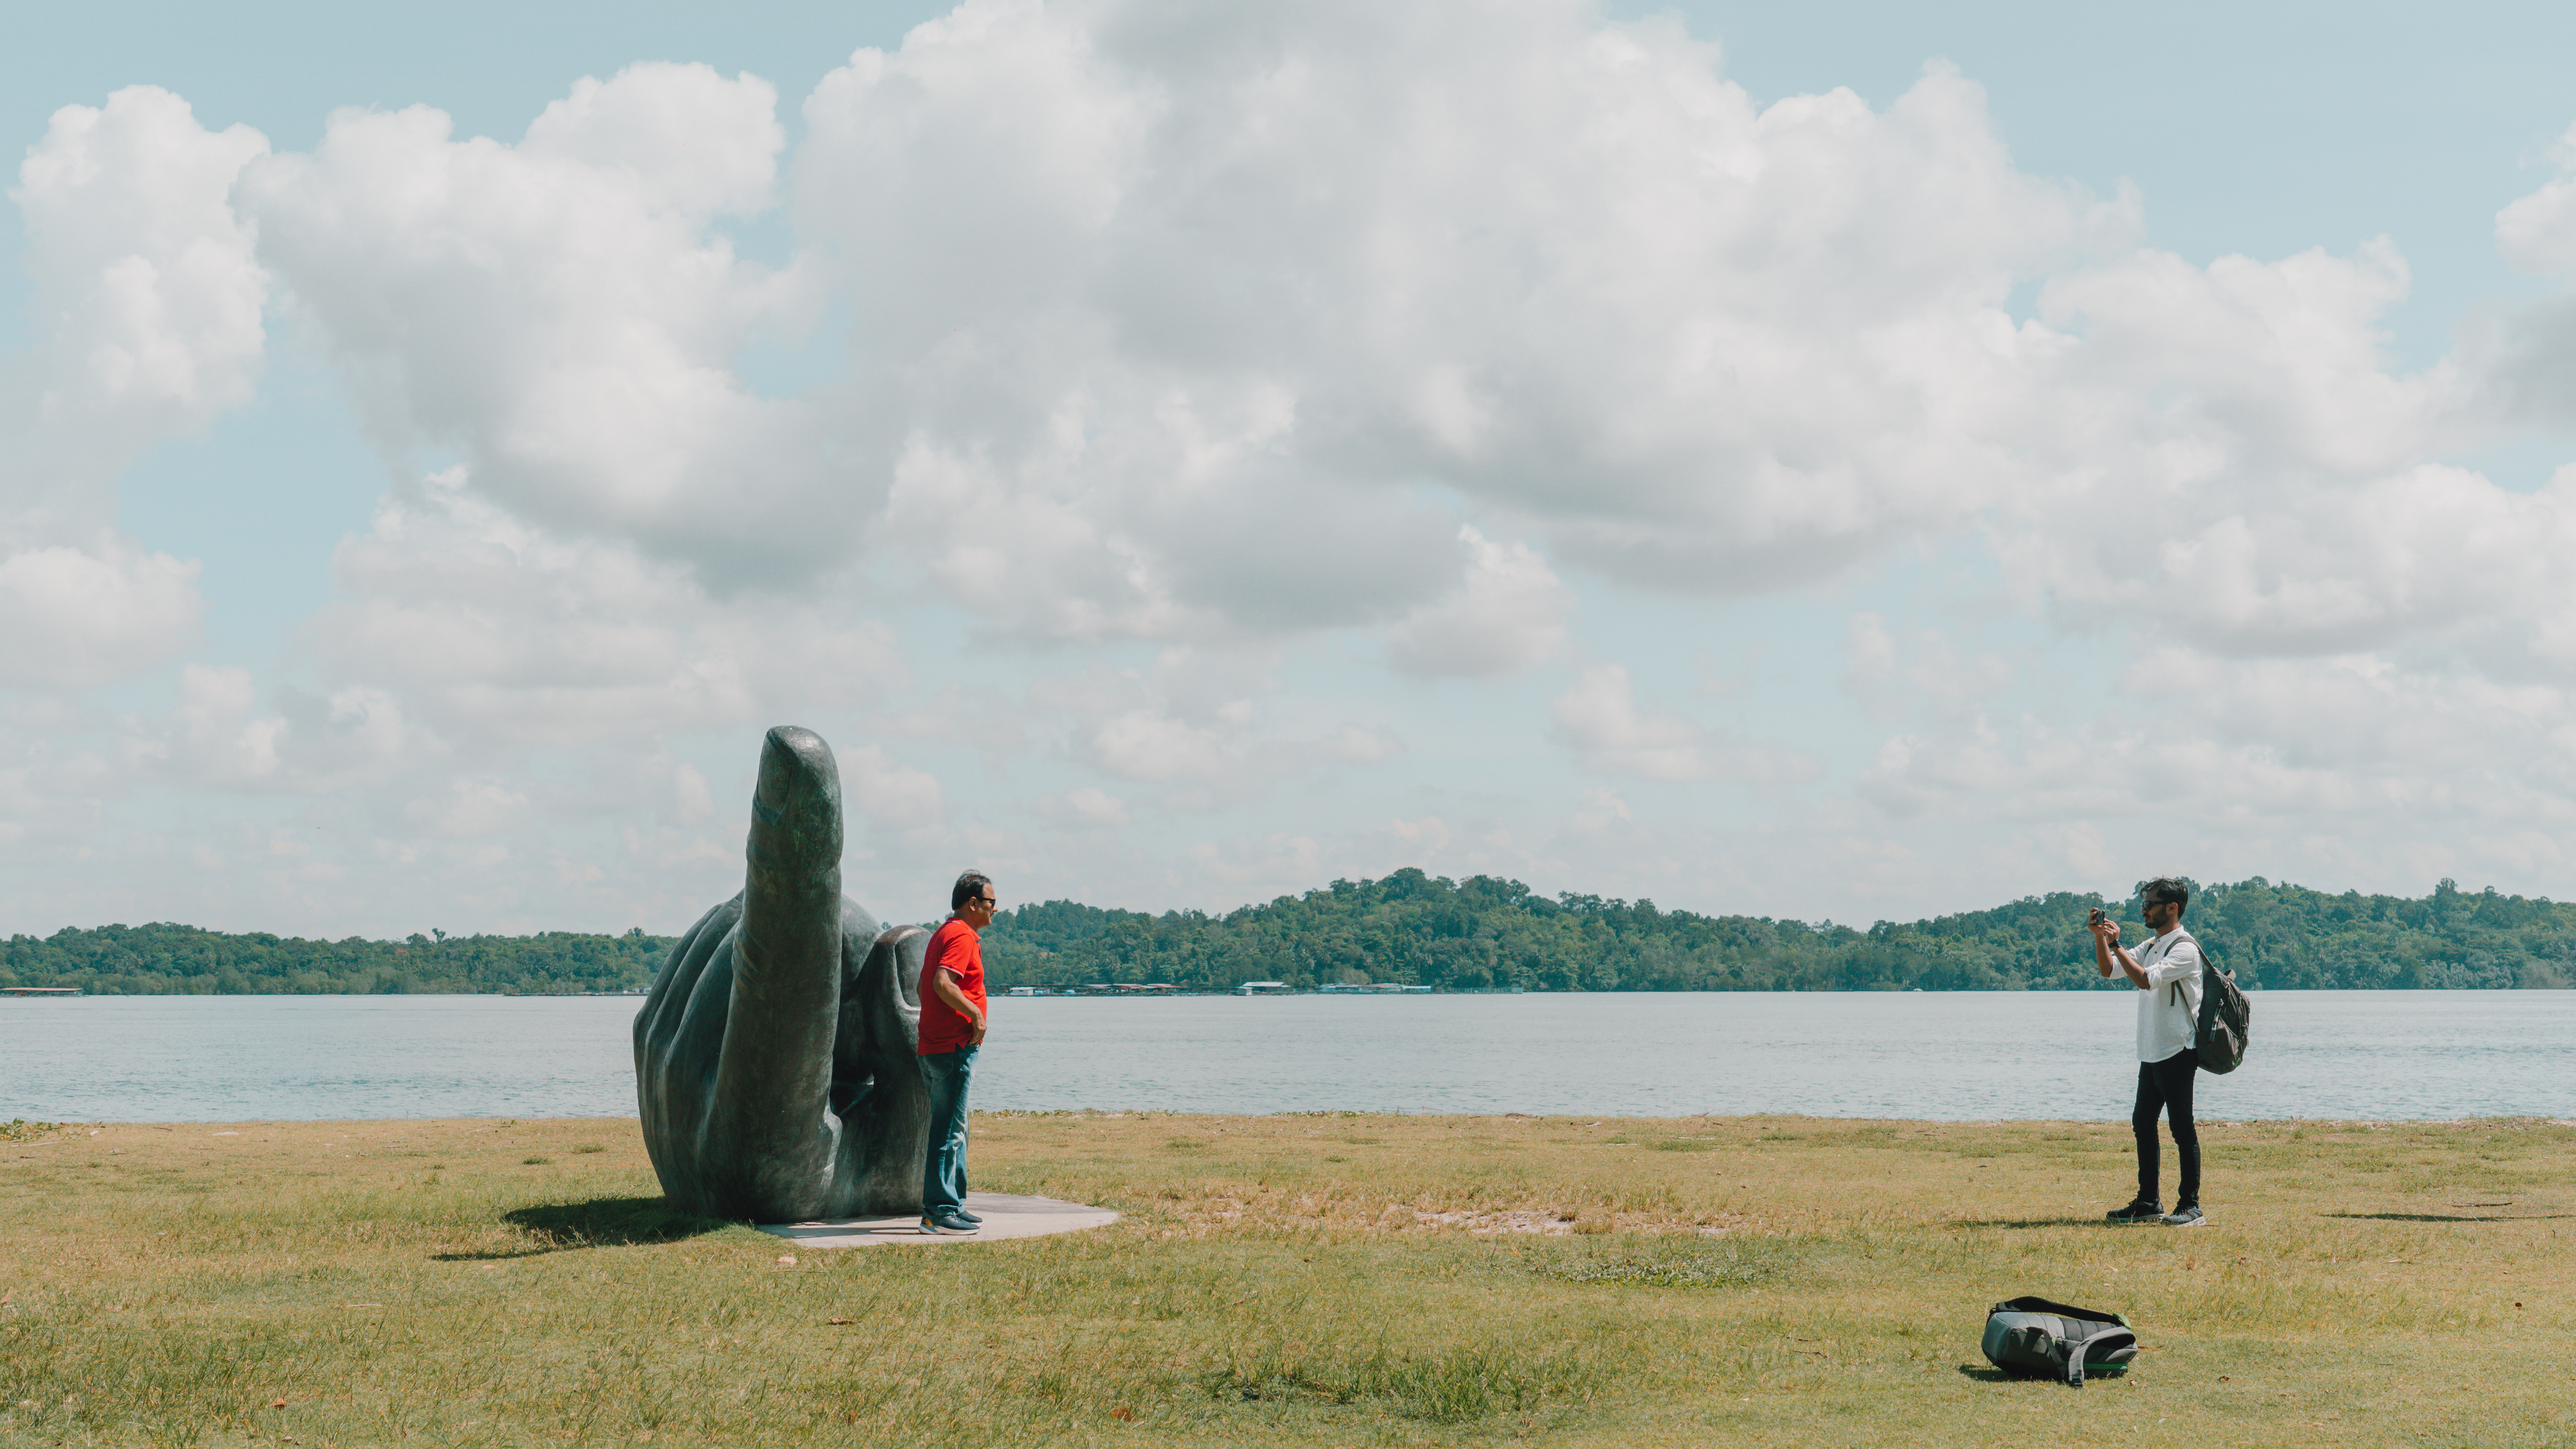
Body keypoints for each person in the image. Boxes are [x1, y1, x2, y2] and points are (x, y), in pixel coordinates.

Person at [2090, 877, 2207, 1227]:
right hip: (2153, 1051)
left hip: (2178, 1050)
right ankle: (2148, 1202)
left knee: (2180, 1127)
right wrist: (2102, 939)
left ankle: (2191, 1206)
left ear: (2172, 908)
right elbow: (2109, 969)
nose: (2144, 909)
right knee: (2143, 1123)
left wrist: (2118, 944)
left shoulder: (2184, 949)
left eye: (2151, 904)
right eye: (2144, 903)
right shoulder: (2155, 944)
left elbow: (2144, 979)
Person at [916, 870, 995, 1235]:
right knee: (948, 1131)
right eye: (991, 903)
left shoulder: (942, 934)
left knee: (956, 1128)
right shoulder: (961, 935)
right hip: (953, 1049)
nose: (995, 909)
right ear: (973, 903)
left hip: (937, 1046)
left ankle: (954, 1204)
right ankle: (937, 1212)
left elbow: (922, 986)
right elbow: (941, 983)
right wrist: (974, 1015)